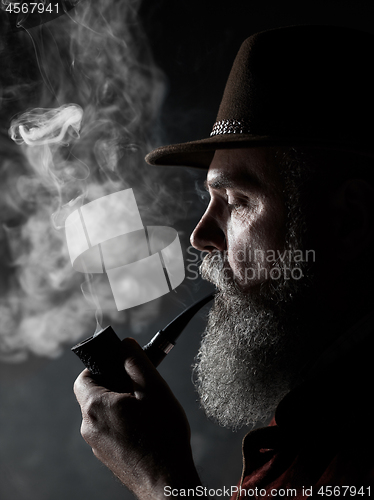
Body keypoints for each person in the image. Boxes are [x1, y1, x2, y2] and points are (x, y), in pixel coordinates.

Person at [74, 25, 374, 498]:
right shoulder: (312, 414)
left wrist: (161, 480)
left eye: (236, 200)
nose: (200, 236)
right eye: (211, 197)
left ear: (350, 219)